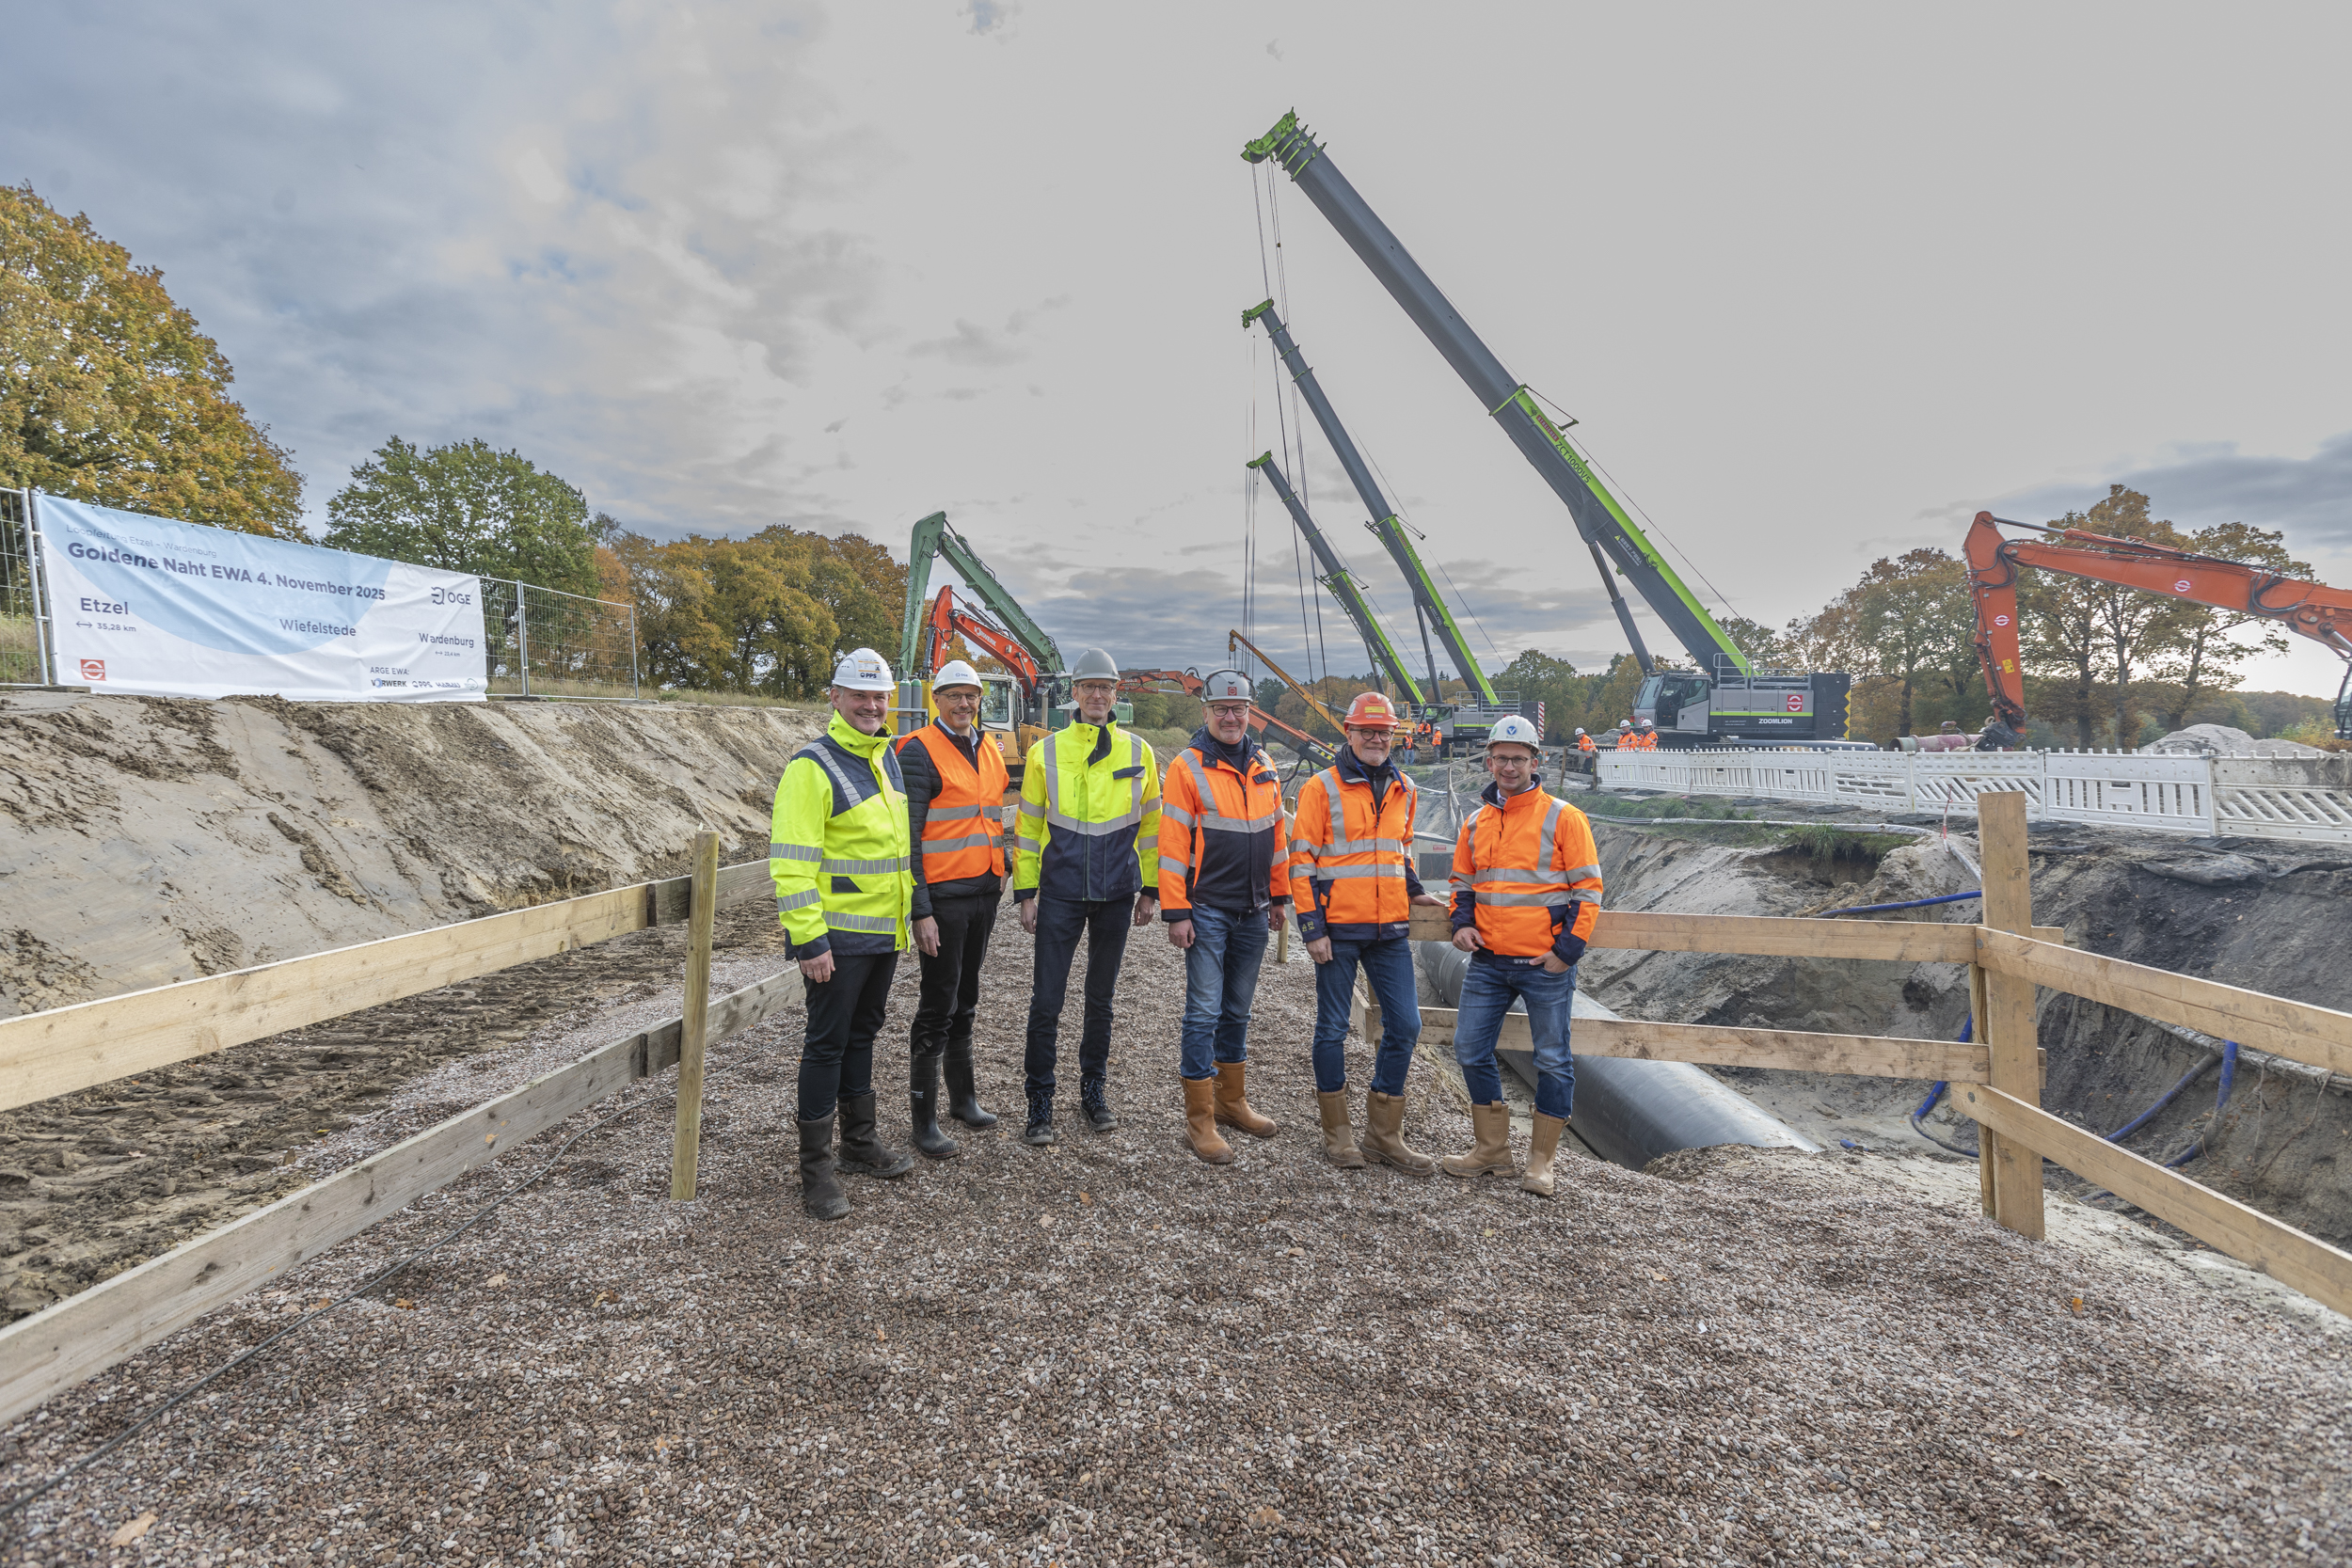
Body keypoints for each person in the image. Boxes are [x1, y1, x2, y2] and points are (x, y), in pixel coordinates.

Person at [771, 647, 917, 1223]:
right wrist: (810, 941)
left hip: (881, 935)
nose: (871, 705)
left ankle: (859, 1143)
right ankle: (816, 1170)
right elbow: (791, 863)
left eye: (879, 696)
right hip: (835, 939)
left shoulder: (887, 760)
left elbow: (894, 851)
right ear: (835, 697)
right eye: (860, 695)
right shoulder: (812, 767)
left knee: (863, 1036)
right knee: (827, 1044)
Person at [1441, 714, 1603, 1198]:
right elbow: (1462, 885)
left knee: (1552, 1060)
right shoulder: (1476, 821)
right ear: (1489, 761)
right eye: (1500, 759)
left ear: (1537, 761)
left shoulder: (1563, 817)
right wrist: (1461, 923)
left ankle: (1541, 1162)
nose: (1508, 767)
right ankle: (1492, 1151)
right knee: (1470, 1049)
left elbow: (1588, 891)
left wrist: (1566, 952)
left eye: (1518, 759)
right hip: (1488, 962)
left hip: (1543, 966)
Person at [1290, 691, 1449, 1173]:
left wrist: (1416, 888)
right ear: (1349, 733)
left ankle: (1383, 1134)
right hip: (1337, 930)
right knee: (1333, 1029)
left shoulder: (1405, 786)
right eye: (1367, 731)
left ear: (1394, 736)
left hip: (1390, 930)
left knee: (1406, 1026)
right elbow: (1301, 862)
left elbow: (1399, 848)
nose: (1377, 739)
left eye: (1384, 732)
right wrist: (1312, 927)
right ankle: (1337, 1136)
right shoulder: (1322, 787)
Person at [1012, 647, 1161, 1147]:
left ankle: (1093, 1093)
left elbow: (1152, 828)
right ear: (1074, 693)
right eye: (1089, 687)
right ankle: (1040, 1101)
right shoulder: (1045, 752)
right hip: (1059, 893)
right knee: (1046, 1001)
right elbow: (1028, 829)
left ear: (1116, 694)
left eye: (1107, 687)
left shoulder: (1139, 753)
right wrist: (1025, 892)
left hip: (1117, 895)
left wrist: (1151, 888)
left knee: (1101, 1000)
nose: (1098, 695)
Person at [1157, 670, 1291, 1164]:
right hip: (1208, 909)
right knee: (1204, 1012)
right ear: (1206, 712)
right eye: (1221, 710)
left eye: (1239, 710)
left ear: (1250, 711)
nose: (1231, 718)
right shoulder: (1187, 767)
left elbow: (1276, 838)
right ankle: (1201, 1121)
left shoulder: (1264, 764)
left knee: (1237, 1011)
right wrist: (1177, 910)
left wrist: (1279, 898)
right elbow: (1171, 846)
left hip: (1254, 909)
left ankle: (1232, 1102)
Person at [893, 660, 1009, 1160]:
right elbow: (909, 841)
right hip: (942, 899)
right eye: (955, 696)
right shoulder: (917, 751)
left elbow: (994, 815)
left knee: (967, 995)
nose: (965, 704)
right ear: (936, 699)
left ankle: (964, 1099)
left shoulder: (988, 748)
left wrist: (1003, 870)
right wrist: (919, 910)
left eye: (972, 696)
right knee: (937, 1002)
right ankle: (924, 1120)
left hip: (983, 890)